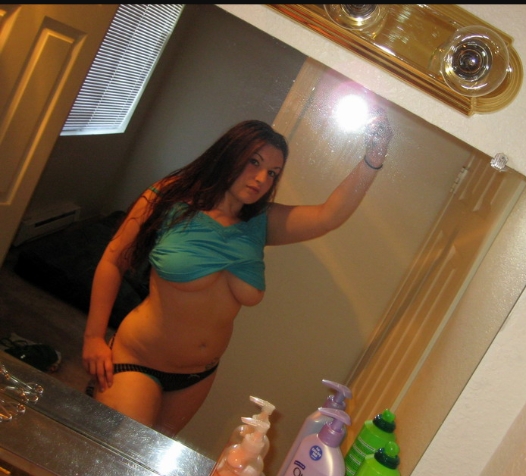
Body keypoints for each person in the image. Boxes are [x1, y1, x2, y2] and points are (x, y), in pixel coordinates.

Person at [82, 111, 393, 437]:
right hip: (138, 359)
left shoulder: (260, 223)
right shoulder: (169, 197)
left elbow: (328, 216)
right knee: (121, 451)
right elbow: (113, 260)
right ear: (229, 155)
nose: (261, 179)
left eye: (272, 173)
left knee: (152, 457)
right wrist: (93, 337)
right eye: (253, 162)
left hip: (197, 376)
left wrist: (374, 157)